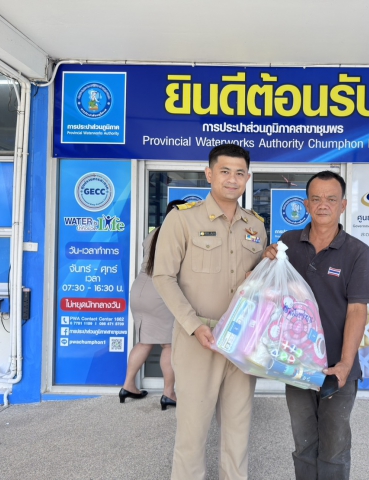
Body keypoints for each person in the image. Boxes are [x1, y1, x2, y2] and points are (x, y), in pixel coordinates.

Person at [152, 144, 266, 480]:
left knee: (238, 429)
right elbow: (163, 276)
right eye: (225, 171)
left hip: (241, 342)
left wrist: (267, 264)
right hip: (198, 340)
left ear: (247, 178)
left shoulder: (256, 226)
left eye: (240, 173)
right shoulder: (182, 219)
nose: (232, 179)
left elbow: (257, 281)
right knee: (192, 431)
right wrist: (193, 325)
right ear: (209, 174)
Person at [263, 171, 369, 480]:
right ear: (306, 205)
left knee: (334, 449)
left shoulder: (357, 252)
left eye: (331, 199)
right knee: (303, 445)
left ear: (343, 205)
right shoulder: (288, 243)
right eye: (316, 199)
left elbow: (357, 310)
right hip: (296, 364)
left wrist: (346, 363)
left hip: (336, 368)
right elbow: (267, 291)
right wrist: (266, 258)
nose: (323, 205)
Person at [119, 199, 186, 410]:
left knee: (144, 341)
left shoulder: (154, 233)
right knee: (169, 344)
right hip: (159, 292)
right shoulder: (178, 234)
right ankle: (169, 393)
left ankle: (128, 385)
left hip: (140, 289)